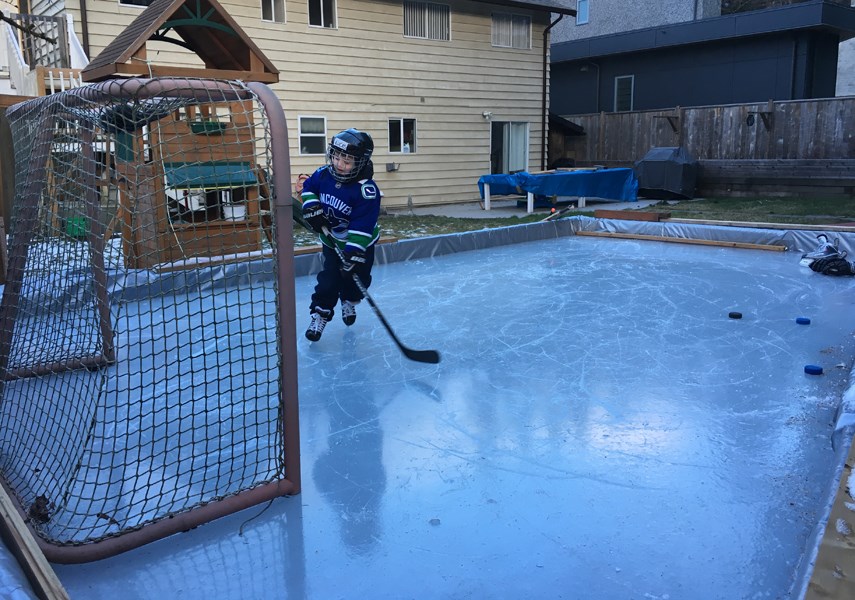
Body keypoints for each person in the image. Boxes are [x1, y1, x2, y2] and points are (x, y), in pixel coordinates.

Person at [300, 128, 382, 341]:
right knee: (329, 279)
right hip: (332, 240)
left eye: (346, 161)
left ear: (360, 163)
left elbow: (363, 224)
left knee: (358, 280)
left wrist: (354, 252)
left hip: (359, 242)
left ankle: (349, 301)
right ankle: (320, 314)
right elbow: (308, 188)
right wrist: (312, 207)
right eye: (336, 157)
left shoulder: (366, 191)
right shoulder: (323, 174)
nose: (338, 164)